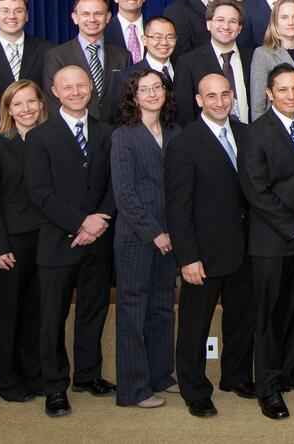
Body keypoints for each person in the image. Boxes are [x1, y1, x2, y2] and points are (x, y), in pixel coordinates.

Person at [25, 65, 117, 417]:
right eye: (68, 86)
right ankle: (54, 387)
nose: (77, 91)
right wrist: (81, 222)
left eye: (82, 85)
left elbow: (114, 185)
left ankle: (88, 374)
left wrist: (97, 223)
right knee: (52, 318)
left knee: (92, 312)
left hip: (98, 241)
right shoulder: (39, 137)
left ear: (91, 88)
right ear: (55, 91)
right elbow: (39, 192)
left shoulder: (107, 133)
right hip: (58, 241)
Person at [239, 65, 294, 419]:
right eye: (283, 90)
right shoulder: (255, 134)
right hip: (272, 241)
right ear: (268, 93)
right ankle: (269, 387)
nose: (291, 96)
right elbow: (256, 192)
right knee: (269, 316)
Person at [165, 74, 256, 418]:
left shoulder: (245, 134)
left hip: (245, 248)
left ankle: (235, 377)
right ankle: (194, 389)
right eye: (211, 96)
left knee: (241, 318)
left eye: (225, 95)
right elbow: (178, 207)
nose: (219, 102)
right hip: (203, 254)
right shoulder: (185, 143)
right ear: (199, 100)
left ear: (233, 96)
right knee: (194, 325)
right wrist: (187, 257)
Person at [108, 70, 179, 408]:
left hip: (170, 236)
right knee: (133, 311)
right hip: (138, 238)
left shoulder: (175, 133)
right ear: (133, 96)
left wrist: (171, 233)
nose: (152, 93)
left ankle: (161, 375)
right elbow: (125, 194)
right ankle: (133, 389)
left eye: (158, 87)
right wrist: (155, 233)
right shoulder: (124, 136)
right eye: (144, 89)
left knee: (163, 307)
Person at [0, 80, 47, 403]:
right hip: (11, 241)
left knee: (36, 310)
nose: (26, 109)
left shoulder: (48, 138)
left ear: (41, 103)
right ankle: (7, 380)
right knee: (10, 312)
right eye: (18, 104)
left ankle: (34, 375)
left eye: (31, 102)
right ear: (7, 109)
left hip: (45, 237)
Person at [41, 0, 132, 123]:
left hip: (116, 132)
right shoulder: (56, 56)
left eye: (98, 13)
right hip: (76, 133)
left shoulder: (123, 56)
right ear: (75, 18)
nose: (92, 19)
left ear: (108, 17)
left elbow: (128, 99)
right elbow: (53, 101)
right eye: (85, 14)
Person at [175, 0, 254, 124]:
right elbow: (185, 114)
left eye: (232, 21)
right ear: (209, 24)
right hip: (206, 141)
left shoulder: (253, 57)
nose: (226, 26)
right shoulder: (188, 63)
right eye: (220, 20)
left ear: (240, 28)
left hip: (249, 136)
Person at [249, 0, 294, 120]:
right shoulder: (262, 54)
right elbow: (257, 105)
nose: (291, 22)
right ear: (275, 21)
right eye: (284, 17)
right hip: (275, 128)